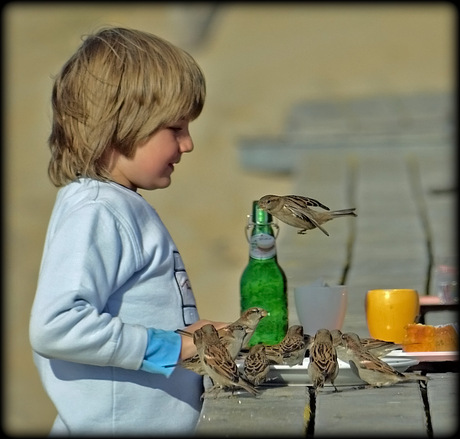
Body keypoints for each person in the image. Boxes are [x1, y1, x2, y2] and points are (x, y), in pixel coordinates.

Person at [29, 26, 227, 436]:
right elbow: (57, 326)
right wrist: (175, 348)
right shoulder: (97, 210)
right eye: (175, 129)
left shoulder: (116, 204)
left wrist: (192, 336)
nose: (188, 144)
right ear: (121, 126)